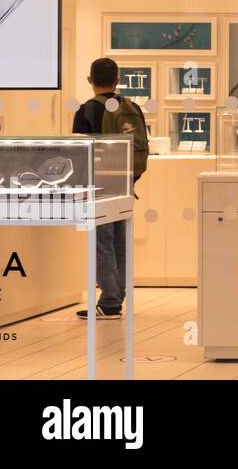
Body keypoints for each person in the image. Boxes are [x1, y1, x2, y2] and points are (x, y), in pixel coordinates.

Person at [72, 57, 149, 320]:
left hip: (99, 184)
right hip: (126, 182)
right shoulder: (132, 107)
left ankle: (110, 302)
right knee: (120, 241)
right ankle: (118, 295)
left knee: (102, 242)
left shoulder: (87, 110)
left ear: (90, 80)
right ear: (117, 80)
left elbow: (80, 153)